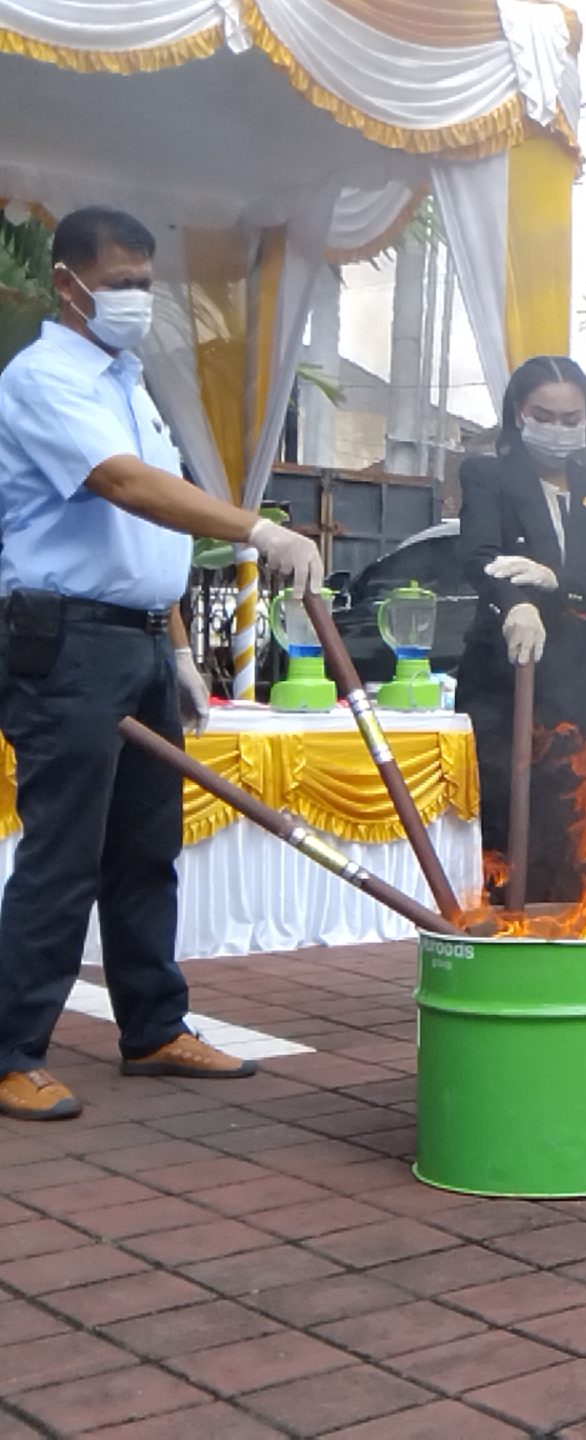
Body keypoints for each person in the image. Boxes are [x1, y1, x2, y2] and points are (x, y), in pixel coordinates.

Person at [0, 206, 324, 1121]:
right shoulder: (42, 380)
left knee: (147, 846)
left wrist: (178, 646)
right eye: (119, 284)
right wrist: (257, 528)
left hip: (138, 636)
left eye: (146, 283)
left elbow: (151, 531)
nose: (137, 299)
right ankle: (11, 1049)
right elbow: (125, 485)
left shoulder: (129, 384)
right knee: (65, 851)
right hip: (67, 640)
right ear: (67, 283)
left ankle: (152, 1027)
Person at [456, 356, 586, 906]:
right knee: (506, 807)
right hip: (506, 674)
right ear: (519, 414)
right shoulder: (488, 476)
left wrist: (558, 583)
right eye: (544, 416)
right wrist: (515, 605)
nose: (558, 429)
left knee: (584, 811)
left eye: (570, 419)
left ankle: (582, 916)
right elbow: (480, 557)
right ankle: (505, 915)